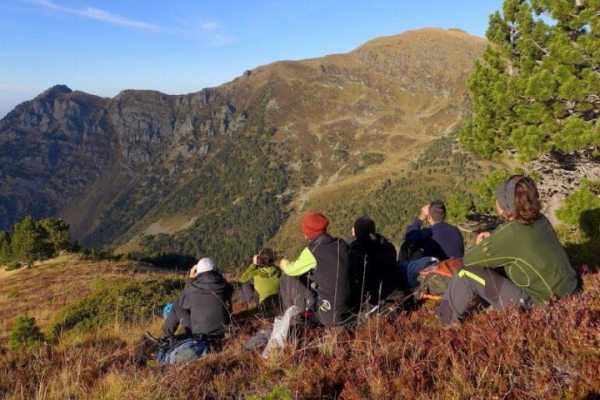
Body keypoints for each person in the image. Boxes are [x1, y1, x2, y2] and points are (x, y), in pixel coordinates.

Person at [436, 176, 579, 324]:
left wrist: (481, 246)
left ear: (505, 204)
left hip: (539, 306)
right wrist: (495, 240)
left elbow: (470, 260)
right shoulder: (540, 218)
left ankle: (444, 318)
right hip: (571, 292)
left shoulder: (511, 232)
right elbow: (519, 245)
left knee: (464, 271)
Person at [278, 211, 351, 326]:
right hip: (348, 306)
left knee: (286, 277)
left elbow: (292, 270)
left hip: (328, 314)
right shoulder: (340, 243)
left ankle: (292, 319)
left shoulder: (313, 251)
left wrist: (284, 263)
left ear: (308, 231)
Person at [161, 257, 233, 344]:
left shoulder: (192, 288)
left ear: (198, 271)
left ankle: (165, 336)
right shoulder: (225, 286)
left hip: (199, 335)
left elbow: (183, 302)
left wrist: (191, 279)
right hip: (223, 332)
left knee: (177, 306)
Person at [398, 200, 465, 290]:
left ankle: (404, 284)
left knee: (406, 246)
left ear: (429, 216)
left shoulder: (428, 233)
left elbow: (407, 236)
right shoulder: (455, 231)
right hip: (457, 272)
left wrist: (421, 217)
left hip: (438, 276)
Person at [346, 216, 397, 308]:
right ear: (374, 230)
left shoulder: (353, 252)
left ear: (355, 233)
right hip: (388, 292)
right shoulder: (389, 247)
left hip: (364, 297)